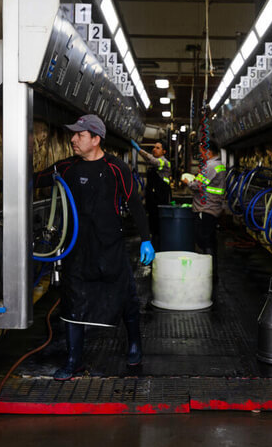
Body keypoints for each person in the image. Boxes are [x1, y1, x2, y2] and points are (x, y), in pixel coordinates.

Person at [34, 114, 155, 380]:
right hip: (77, 246)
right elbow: (38, 179)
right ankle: (73, 360)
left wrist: (146, 238)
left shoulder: (116, 168)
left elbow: (134, 203)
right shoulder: (67, 168)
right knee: (73, 299)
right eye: (73, 134)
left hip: (110, 245)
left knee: (125, 296)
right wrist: (3, 185)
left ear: (96, 139)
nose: (73, 139)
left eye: (80, 135)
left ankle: (134, 343)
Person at [184, 140, 226, 293]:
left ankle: (207, 275)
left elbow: (198, 185)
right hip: (212, 208)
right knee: (211, 241)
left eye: (202, 151)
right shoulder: (218, 165)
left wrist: (188, 182)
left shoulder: (210, 166)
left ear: (208, 151)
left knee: (204, 241)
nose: (201, 155)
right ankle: (212, 273)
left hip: (205, 209)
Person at [130, 139, 171, 249]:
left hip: (160, 202)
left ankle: (159, 250)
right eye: (154, 147)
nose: (154, 149)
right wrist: (141, 196)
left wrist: (138, 150)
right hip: (152, 202)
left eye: (158, 148)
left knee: (158, 229)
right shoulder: (153, 166)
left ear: (164, 152)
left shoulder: (163, 162)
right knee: (152, 227)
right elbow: (149, 186)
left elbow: (152, 160)